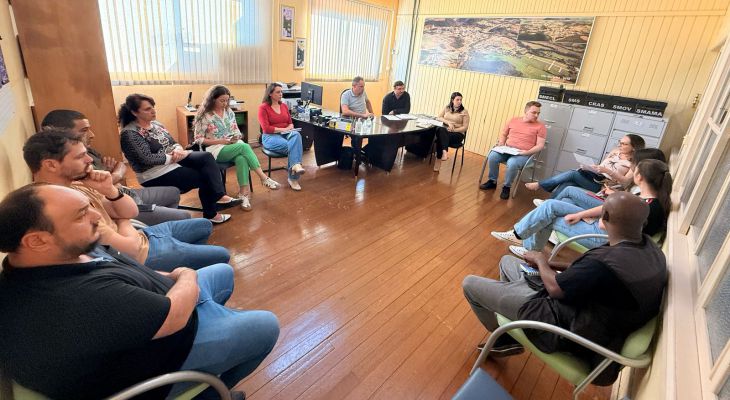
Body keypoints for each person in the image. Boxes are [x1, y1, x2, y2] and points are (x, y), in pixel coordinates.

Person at [0, 183, 279, 400]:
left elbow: (123, 271)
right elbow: (174, 315)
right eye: (81, 214)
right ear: (36, 241)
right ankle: (210, 393)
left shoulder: (61, 253)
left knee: (222, 272)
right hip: (164, 348)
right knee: (266, 326)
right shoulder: (70, 299)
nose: (97, 216)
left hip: (161, 305)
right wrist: (186, 275)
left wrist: (171, 279)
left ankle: (217, 344)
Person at [463, 192, 667, 385]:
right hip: (583, 307)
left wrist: (541, 261)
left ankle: (504, 336)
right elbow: (584, 272)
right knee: (507, 262)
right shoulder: (648, 248)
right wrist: (548, 264)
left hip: (561, 322)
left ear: (604, 218)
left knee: (470, 284)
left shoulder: (604, 263)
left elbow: (555, 289)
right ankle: (510, 324)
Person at [23, 130, 230, 272]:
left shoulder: (78, 184)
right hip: (142, 254)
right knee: (221, 256)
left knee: (203, 225)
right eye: (80, 157)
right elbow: (130, 249)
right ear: (51, 165)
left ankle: (181, 267)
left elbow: (131, 212)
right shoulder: (61, 208)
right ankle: (169, 277)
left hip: (142, 235)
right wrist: (122, 220)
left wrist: (109, 190)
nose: (89, 160)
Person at [491, 159, 672, 256]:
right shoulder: (649, 201)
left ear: (639, 177)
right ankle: (521, 237)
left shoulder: (645, 206)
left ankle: (526, 245)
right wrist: (582, 214)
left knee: (549, 216)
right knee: (552, 206)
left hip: (603, 237)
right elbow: (611, 215)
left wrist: (589, 217)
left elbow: (604, 224)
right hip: (606, 229)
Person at [40, 109, 191, 226]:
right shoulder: (66, 165)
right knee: (184, 217)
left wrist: (113, 174)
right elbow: (100, 188)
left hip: (124, 193)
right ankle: (159, 231)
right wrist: (114, 176)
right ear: (59, 133)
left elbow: (119, 165)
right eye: (84, 131)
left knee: (173, 192)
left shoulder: (88, 152)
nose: (92, 135)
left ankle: (165, 230)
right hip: (116, 203)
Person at [118, 93, 237, 224]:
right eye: (147, 109)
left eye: (153, 107)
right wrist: (172, 158)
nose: (153, 111)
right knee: (205, 176)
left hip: (174, 159)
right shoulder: (129, 134)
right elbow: (146, 159)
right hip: (155, 173)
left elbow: (173, 142)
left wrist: (179, 149)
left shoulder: (156, 124)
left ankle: (219, 195)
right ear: (134, 112)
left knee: (206, 157)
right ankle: (211, 213)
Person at [193, 85, 282, 209]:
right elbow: (198, 139)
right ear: (212, 99)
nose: (225, 103)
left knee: (241, 157)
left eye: (227, 100)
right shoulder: (204, 115)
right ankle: (264, 178)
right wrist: (221, 141)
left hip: (232, 145)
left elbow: (236, 131)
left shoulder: (229, 112)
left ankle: (243, 193)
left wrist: (236, 137)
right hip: (214, 149)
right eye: (222, 101)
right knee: (244, 147)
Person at [525, 134, 645, 198]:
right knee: (568, 183)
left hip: (603, 187)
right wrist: (590, 168)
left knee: (572, 174)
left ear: (634, 147)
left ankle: (540, 185)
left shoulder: (635, 163)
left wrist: (608, 171)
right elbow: (601, 166)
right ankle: (548, 203)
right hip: (594, 178)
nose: (620, 145)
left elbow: (626, 182)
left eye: (624, 144)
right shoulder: (615, 152)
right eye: (620, 142)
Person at [480, 101, 546, 199]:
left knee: (512, 163)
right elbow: (504, 134)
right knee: (493, 156)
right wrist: (501, 142)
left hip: (523, 154)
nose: (536, 115)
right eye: (534, 112)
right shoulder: (513, 120)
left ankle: (506, 187)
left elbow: (540, 145)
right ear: (526, 111)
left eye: (538, 113)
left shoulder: (540, 126)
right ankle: (492, 181)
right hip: (508, 149)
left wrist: (527, 152)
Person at [257, 83, 306, 191]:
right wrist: (284, 129)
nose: (281, 94)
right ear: (270, 94)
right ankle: (294, 176)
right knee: (294, 147)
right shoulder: (263, 108)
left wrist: (289, 128)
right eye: (278, 92)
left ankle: (295, 168)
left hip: (286, 133)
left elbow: (290, 123)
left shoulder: (284, 106)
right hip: (270, 136)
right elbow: (266, 128)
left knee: (296, 134)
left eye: (281, 92)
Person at [433, 92, 470, 172]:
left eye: (460, 100)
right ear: (452, 100)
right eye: (457, 100)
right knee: (441, 130)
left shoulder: (464, 112)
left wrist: (454, 130)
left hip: (457, 134)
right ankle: (444, 152)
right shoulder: (447, 108)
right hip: (446, 132)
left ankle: (440, 158)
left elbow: (465, 127)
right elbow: (439, 117)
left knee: (440, 137)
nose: (459, 101)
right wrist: (448, 122)